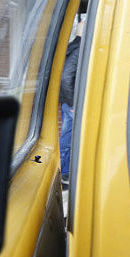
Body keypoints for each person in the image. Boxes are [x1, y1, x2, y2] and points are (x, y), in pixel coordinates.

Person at [59, 16, 83, 187]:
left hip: (68, 102)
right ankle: (65, 174)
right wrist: (74, 104)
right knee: (68, 137)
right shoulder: (79, 49)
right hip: (72, 103)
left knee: (68, 136)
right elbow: (67, 77)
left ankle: (65, 173)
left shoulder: (71, 47)